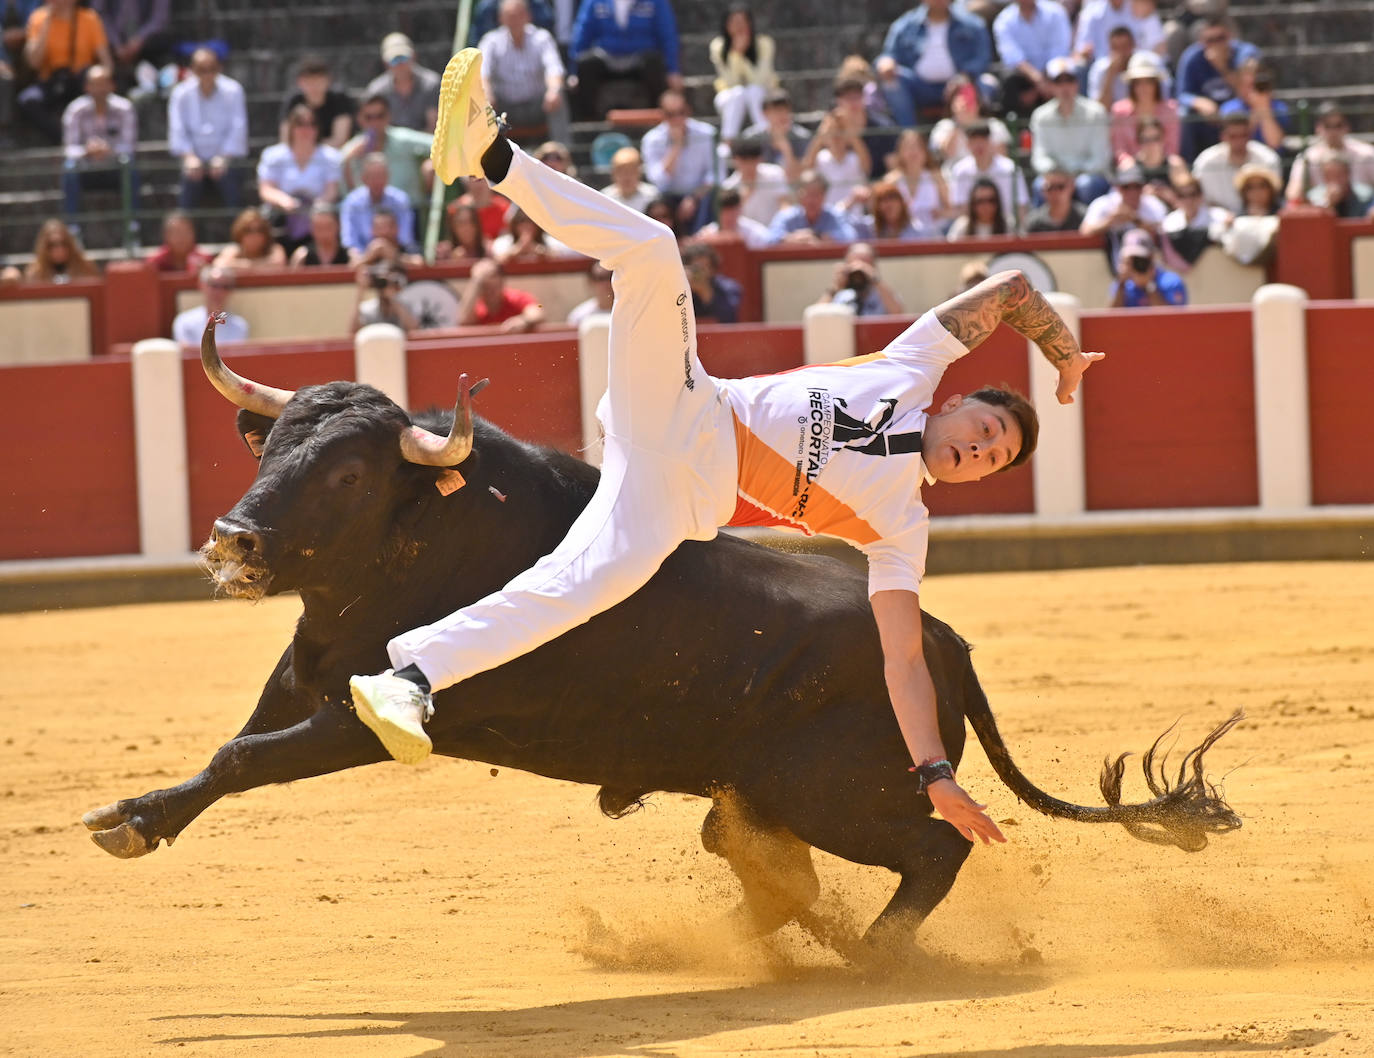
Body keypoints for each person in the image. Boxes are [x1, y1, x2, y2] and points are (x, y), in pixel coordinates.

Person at [351, 50, 1104, 860]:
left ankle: (409, 679)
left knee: (573, 590)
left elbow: (903, 660)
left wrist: (936, 774)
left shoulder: (899, 524)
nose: (983, 451)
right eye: (988, 430)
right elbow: (1014, 289)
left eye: (994, 461)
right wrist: (1061, 355)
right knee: (652, 252)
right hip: (680, 401)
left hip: (675, 503)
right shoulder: (909, 366)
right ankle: (491, 156)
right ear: (958, 402)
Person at [874, 0, 992, 126]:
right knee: (893, 82)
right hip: (918, 87)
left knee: (987, 84)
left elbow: (982, 57)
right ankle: (909, 136)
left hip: (960, 85)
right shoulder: (905, 25)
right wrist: (886, 62)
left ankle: (976, 135)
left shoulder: (973, 24)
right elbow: (889, 54)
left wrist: (965, 76)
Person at [17, 0, 112, 141]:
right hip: (50, 81)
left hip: (81, 80)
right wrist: (47, 22)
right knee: (28, 100)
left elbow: (107, 63)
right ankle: (64, 138)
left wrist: (99, 80)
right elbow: (33, 63)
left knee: (96, 88)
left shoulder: (89, 18)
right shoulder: (38, 18)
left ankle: (94, 138)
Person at [568, 0, 680, 121]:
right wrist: (574, 72)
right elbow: (582, 34)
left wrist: (673, 70)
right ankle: (590, 120)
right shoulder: (594, 2)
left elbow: (668, 35)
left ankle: (656, 116)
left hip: (641, 56)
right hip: (606, 56)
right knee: (586, 64)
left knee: (654, 63)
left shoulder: (656, 2)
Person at [477, 0, 568, 144]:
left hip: (538, 105)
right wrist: (487, 94)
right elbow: (482, 73)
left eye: (518, 15)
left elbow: (554, 69)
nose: (514, 20)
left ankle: (562, 152)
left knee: (558, 97)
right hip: (504, 106)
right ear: (501, 18)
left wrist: (553, 90)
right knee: (481, 102)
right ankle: (487, 155)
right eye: (509, 16)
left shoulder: (542, 38)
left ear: (528, 16)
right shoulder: (491, 41)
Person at [167, 47, 247, 209]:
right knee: (187, 191)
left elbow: (238, 128)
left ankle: (237, 230)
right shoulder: (180, 93)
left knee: (233, 191)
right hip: (192, 161)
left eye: (211, 69)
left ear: (219, 68)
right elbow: (177, 129)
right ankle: (183, 230)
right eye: (201, 70)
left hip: (227, 160)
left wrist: (223, 157)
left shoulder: (234, 90)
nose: (207, 74)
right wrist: (190, 157)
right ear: (193, 70)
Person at [60, 64, 138, 225]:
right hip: (86, 169)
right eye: (95, 84)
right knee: (69, 167)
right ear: (87, 87)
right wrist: (87, 151)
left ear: (112, 85)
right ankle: (72, 228)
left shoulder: (125, 108)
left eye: (104, 83)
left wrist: (109, 150)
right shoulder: (75, 110)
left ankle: (133, 225)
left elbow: (130, 146)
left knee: (130, 165)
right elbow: (69, 148)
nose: (100, 88)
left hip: (115, 168)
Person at [258, 102, 343, 247]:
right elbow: (266, 189)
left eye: (311, 124)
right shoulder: (273, 155)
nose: (306, 129)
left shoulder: (331, 156)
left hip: (317, 213)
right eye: (300, 124)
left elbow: (332, 190)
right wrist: (284, 201)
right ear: (291, 128)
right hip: (282, 215)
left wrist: (317, 205)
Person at [1029, 56, 1111, 205]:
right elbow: (1039, 157)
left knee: (1086, 186)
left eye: (1069, 80)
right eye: (1058, 82)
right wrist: (1056, 174)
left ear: (1077, 83)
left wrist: (1071, 175)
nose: (1065, 87)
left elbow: (1100, 159)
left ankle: (1090, 228)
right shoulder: (1041, 116)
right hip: (1055, 176)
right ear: (1050, 86)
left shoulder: (1096, 113)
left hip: (1088, 176)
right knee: (1040, 186)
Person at [1175, 15, 1259, 159]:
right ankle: (1188, 165)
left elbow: (1247, 88)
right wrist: (1200, 103)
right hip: (1207, 115)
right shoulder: (1192, 57)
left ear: (1230, 36)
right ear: (1201, 41)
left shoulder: (1245, 52)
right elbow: (1181, 94)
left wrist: (1222, 67)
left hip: (1237, 109)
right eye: (1209, 40)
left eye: (1220, 38)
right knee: (1185, 115)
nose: (1215, 44)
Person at [639, 89, 720, 234]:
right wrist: (676, 147)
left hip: (700, 196)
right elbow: (658, 180)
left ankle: (698, 242)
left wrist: (694, 198)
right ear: (662, 114)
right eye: (671, 114)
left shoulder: (707, 134)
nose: (677, 119)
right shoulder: (651, 140)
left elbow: (715, 174)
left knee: (711, 198)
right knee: (657, 207)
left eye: (681, 112)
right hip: (667, 196)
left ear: (688, 110)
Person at [341, 94, 433, 207]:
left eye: (380, 116)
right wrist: (348, 162)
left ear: (389, 116)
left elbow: (438, 145)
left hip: (408, 211)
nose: (375, 123)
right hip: (368, 217)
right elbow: (348, 194)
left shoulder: (403, 139)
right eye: (369, 117)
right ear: (360, 119)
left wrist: (431, 163)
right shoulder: (351, 152)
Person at [709, 3, 777, 141]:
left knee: (753, 90)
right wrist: (736, 54)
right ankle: (728, 141)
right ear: (726, 25)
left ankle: (765, 135)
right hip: (729, 96)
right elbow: (730, 82)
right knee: (738, 93)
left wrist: (744, 57)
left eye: (742, 22)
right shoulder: (718, 46)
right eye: (734, 22)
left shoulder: (764, 43)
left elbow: (759, 80)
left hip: (762, 93)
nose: (739, 27)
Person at [1080, 161, 1167, 269]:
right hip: (1117, 268)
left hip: (1148, 269)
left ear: (1143, 188)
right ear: (1118, 188)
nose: (1132, 192)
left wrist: (1135, 220)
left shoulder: (1153, 205)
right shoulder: (1104, 204)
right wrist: (1111, 220)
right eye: (1126, 187)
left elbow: (1164, 233)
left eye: (1136, 187)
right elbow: (1085, 231)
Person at [992, 0, 1073, 115]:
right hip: (1024, 78)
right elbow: (1013, 58)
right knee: (1009, 79)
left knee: (1069, 74)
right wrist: (1039, 82)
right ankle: (1015, 127)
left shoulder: (1055, 13)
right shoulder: (1004, 20)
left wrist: (1046, 82)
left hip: (1052, 73)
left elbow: (1060, 51)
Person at [1285, 102, 1374, 206]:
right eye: (1327, 126)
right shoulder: (1307, 157)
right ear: (1318, 128)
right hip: (1320, 211)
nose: (1333, 131)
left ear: (1347, 127)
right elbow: (1293, 194)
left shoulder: (1367, 153)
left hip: (1361, 211)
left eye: (1338, 125)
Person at [1191, 111, 1280, 213]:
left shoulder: (1267, 158)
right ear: (1223, 136)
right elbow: (1201, 200)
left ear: (1250, 135)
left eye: (1243, 135)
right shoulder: (1206, 162)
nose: (1239, 141)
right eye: (1233, 136)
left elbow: (1274, 197)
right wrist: (1221, 215)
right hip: (1218, 224)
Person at [948, 121, 1029, 229]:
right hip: (972, 230)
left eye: (983, 140)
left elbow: (1021, 207)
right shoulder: (960, 171)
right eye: (974, 141)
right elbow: (960, 210)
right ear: (967, 145)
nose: (979, 145)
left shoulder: (1010, 169)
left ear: (991, 142)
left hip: (1006, 226)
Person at [930, 75, 1012, 177]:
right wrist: (959, 123)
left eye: (970, 98)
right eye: (960, 99)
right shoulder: (945, 126)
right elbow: (947, 154)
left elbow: (1002, 158)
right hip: (954, 181)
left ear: (978, 102)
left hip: (989, 183)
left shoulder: (995, 126)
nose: (966, 103)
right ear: (952, 105)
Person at [802, 94, 871, 213]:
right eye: (833, 134)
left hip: (853, 218)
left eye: (840, 133)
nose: (836, 138)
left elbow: (867, 166)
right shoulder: (821, 157)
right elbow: (807, 168)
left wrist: (848, 127)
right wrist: (822, 132)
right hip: (826, 218)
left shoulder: (854, 158)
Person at [340, 153, 416, 255]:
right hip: (362, 258)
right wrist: (364, 257)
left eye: (381, 176)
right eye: (372, 176)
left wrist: (388, 252)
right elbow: (349, 240)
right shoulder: (352, 202)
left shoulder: (401, 200)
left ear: (388, 177)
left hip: (395, 256)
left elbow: (405, 238)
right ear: (363, 178)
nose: (377, 181)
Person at [1108, 49, 1177, 160]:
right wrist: (1130, 164)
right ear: (1132, 86)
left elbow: (1172, 148)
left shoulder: (1170, 109)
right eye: (1138, 82)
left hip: (1164, 167)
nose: (1143, 87)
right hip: (1131, 170)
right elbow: (1119, 149)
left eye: (1148, 82)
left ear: (1156, 84)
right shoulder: (1119, 111)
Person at [364, 32, 440, 133]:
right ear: (385, 63)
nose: (400, 64)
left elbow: (433, 127)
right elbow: (375, 128)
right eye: (394, 60)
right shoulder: (376, 90)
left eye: (403, 58)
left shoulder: (431, 84)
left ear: (413, 56)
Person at [884, 128, 953, 233]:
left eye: (917, 146)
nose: (913, 151)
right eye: (908, 147)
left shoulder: (936, 176)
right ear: (900, 151)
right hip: (902, 236)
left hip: (934, 234)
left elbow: (952, 209)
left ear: (925, 151)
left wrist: (941, 213)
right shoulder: (891, 181)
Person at [277, 54, 354, 148]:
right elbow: (286, 139)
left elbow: (340, 140)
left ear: (328, 80)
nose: (314, 86)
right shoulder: (293, 101)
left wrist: (310, 149)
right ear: (299, 82)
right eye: (309, 81)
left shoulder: (339, 99)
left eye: (318, 81)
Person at [90, 0, 171, 86]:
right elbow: (99, 13)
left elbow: (159, 18)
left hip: (148, 48)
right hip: (112, 47)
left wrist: (138, 40)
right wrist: (116, 44)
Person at [766, 169, 857, 244]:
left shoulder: (835, 215)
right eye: (806, 195)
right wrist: (793, 238)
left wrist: (818, 236)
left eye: (816, 194)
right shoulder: (786, 216)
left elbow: (850, 237)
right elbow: (770, 239)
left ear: (824, 196)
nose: (811, 200)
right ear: (798, 196)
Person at [815, 241, 905, 315]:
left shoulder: (883, 295)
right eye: (853, 263)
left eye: (865, 263)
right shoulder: (842, 296)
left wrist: (875, 279)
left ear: (874, 267)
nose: (859, 268)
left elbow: (897, 312)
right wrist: (835, 288)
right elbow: (816, 316)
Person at [457, 256, 545, 331]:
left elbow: (538, 310)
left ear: (502, 281)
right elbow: (462, 321)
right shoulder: (475, 307)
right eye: (485, 287)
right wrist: (476, 281)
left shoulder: (517, 297)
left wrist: (523, 321)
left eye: (493, 288)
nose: (490, 292)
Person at [741, 88, 810, 182]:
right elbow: (747, 172)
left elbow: (797, 177)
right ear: (764, 114)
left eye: (786, 110)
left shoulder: (802, 136)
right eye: (777, 110)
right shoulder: (751, 138)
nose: (783, 114)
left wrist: (786, 148)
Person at [722, 134, 790, 227]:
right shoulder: (729, 187)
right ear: (735, 160)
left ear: (760, 158)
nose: (749, 165)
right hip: (746, 237)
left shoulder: (775, 173)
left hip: (776, 233)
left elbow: (784, 204)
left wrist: (780, 227)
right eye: (744, 160)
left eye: (753, 159)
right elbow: (730, 217)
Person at [1161, 173, 1228, 266]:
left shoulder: (1220, 217)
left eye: (1192, 194)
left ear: (1201, 195)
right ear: (1175, 198)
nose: (1188, 200)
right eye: (1182, 195)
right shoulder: (1169, 222)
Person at [1108, 227, 1186, 307]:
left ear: (1151, 257)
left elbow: (1174, 318)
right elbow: (1112, 317)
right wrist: (1121, 285)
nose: (1136, 263)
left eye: (1140, 259)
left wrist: (1149, 286)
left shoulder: (1171, 282)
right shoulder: (1121, 285)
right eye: (1131, 259)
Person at [172, 265, 248, 345]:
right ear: (201, 286)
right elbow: (188, 354)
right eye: (214, 285)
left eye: (226, 287)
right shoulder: (185, 322)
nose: (219, 292)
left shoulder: (240, 326)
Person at [1074, 0, 1163, 66]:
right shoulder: (1092, 12)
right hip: (1102, 66)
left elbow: (1159, 46)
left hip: (1137, 65)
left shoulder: (1141, 6)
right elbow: (1081, 50)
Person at [20, 217, 99, 282]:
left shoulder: (84, 266)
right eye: (52, 245)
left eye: (63, 243)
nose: (59, 249)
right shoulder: (35, 272)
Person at [694, 185, 771, 248]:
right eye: (725, 212)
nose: (729, 217)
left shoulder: (755, 232)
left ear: (740, 210)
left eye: (733, 212)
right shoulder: (708, 232)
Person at [490, 205, 576, 262]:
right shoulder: (502, 243)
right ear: (513, 224)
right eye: (521, 220)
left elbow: (565, 256)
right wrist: (517, 250)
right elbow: (495, 262)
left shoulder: (551, 241)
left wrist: (541, 251)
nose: (526, 225)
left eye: (531, 220)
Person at [682, 241, 741, 324]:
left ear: (713, 269)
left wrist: (705, 291)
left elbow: (728, 318)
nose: (700, 272)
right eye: (695, 268)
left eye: (704, 267)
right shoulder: (679, 287)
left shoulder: (728, 288)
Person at [351, 261, 418, 332]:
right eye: (382, 282)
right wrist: (361, 290)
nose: (385, 286)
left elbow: (414, 329)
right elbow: (352, 332)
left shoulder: (405, 306)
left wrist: (392, 298)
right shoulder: (368, 309)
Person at [213, 208, 287, 270]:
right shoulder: (234, 250)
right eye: (248, 230)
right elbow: (219, 264)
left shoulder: (275, 249)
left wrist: (242, 265)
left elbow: (278, 263)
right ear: (240, 232)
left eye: (259, 230)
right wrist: (253, 265)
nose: (254, 235)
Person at [1307, 155, 1374, 219]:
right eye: (1329, 175)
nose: (1335, 180)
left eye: (1339, 175)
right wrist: (1328, 204)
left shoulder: (1366, 194)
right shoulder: (1314, 197)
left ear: (1348, 174)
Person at [859, 178, 927, 240]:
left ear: (902, 204)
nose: (889, 204)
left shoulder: (916, 229)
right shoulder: (869, 228)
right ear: (877, 207)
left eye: (893, 198)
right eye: (883, 200)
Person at [145, 209, 211, 273]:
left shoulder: (204, 260)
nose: (181, 237)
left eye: (185, 232)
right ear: (166, 235)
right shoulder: (155, 263)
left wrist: (204, 272)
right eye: (176, 232)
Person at [1023, 167, 1085, 231]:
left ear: (1072, 187)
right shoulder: (1033, 222)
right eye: (1049, 188)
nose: (1055, 192)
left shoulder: (1086, 218)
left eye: (1060, 187)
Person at [290, 203, 352, 267]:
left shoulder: (350, 256)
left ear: (338, 226)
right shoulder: (302, 256)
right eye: (319, 228)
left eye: (328, 227)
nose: (324, 232)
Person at [599, 145, 658, 212]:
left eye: (631, 171)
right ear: (613, 174)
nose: (626, 176)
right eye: (621, 171)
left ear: (639, 173)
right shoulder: (604, 197)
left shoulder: (652, 195)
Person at [566, 261, 613, 326]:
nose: (606, 283)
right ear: (590, 282)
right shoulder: (579, 316)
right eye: (600, 278)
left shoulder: (627, 311)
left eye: (610, 277)